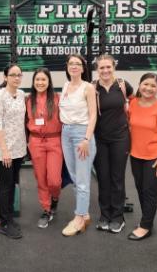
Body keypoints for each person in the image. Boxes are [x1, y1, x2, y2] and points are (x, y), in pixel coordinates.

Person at [128, 73, 157, 241]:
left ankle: (145, 226)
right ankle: (147, 220)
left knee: (150, 191)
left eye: (153, 86)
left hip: (154, 157)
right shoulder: (132, 104)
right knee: (140, 189)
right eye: (145, 84)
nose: (148, 88)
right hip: (135, 155)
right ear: (139, 85)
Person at [92, 54, 133, 234]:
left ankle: (117, 216)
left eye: (108, 67)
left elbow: (140, 100)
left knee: (117, 178)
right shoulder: (92, 88)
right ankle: (104, 215)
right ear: (97, 69)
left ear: (114, 67)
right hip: (100, 139)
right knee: (103, 178)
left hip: (120, 139)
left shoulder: (123, 85)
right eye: (102, 68)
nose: (105, 70)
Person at [59, 54, 97, 237]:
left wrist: (86, 139)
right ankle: (85, 213)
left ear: (83, 68)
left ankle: (79, 217)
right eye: (71, 63)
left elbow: (93, 116)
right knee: (75, 177)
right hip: (65, 133)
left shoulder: (88, 87)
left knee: (82, 180)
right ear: (67, 67)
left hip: (82, 134)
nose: (74, 66)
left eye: (78, 64)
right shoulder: (66, 86)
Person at [0, 63, 27, 239]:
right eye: (13, 75)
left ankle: (10, 217)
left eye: (19, 75)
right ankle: (4, 223)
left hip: (19, 148)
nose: (17, 78)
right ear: (5, 77)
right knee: (5, 185)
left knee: (13, 184)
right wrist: (5, 151)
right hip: (2, 149)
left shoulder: (21, 94)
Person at [26, 67, 62, 229]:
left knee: (54, 180)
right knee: (41, 178)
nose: (40, 82)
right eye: (37, 80)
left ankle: (54, 197)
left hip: (54, 141)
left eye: (43, 80)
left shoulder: (57, 98)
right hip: (36, 142)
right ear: (33, 82)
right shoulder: (28, 100)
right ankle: (46, 209)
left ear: (49, 82)